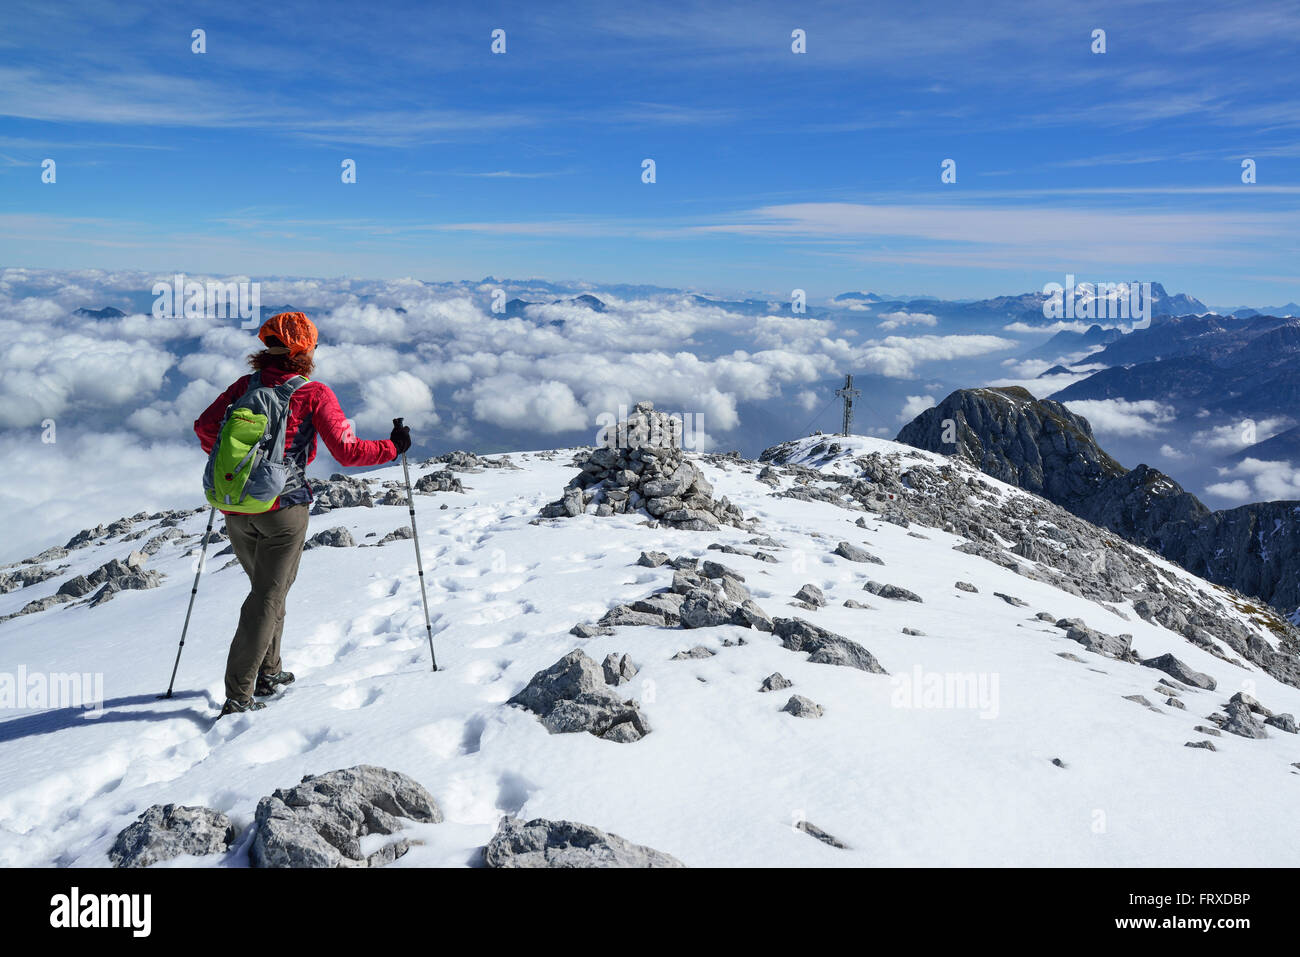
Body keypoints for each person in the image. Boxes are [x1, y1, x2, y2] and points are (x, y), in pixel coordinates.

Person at [194, 312, 411, 716]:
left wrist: (240, 466)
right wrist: (393, 448)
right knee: (267, 596)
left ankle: (270, 671)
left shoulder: (245, 386)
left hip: (236, 507)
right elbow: (347, 451)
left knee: (269, 592)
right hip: (283, 510)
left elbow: (206, 428)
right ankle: (240, 694)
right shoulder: (313, 393)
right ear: (304, 349)